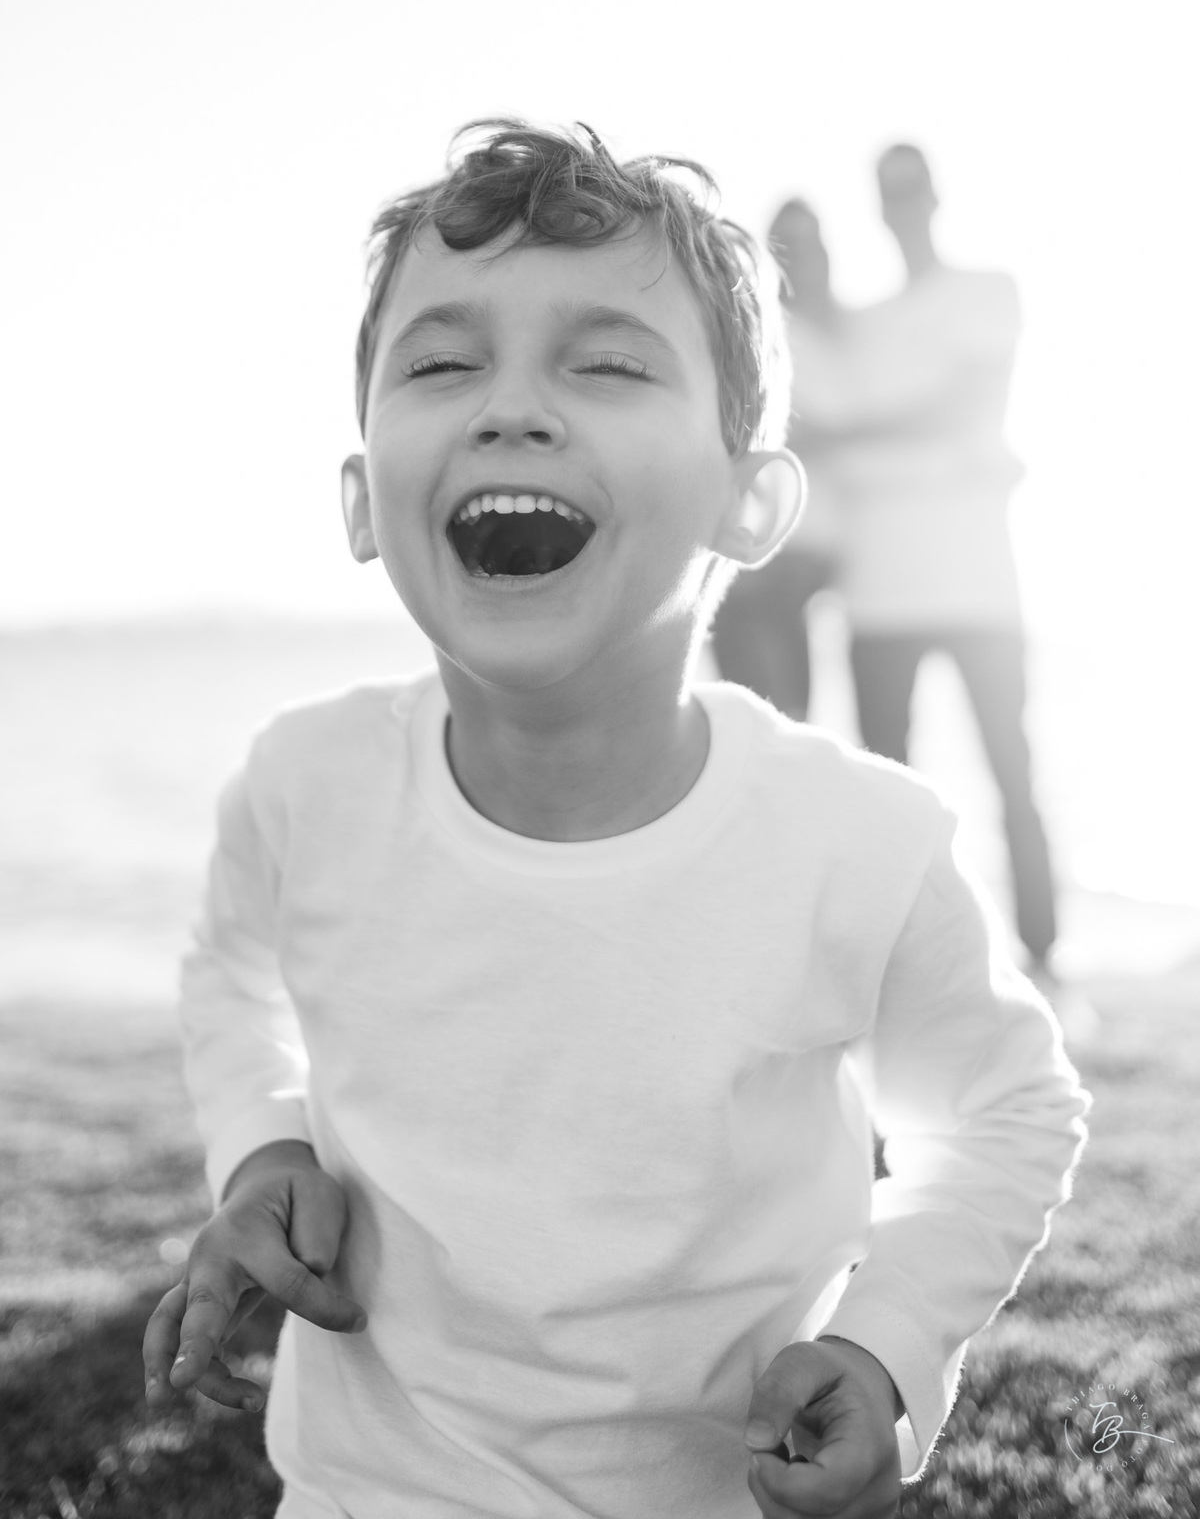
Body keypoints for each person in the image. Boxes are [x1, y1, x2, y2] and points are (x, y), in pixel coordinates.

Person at [142, 121, 1088, 1519]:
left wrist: (886, 1345)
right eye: (442, 364)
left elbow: (1011, 1110)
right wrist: (266, 1146)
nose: (511, 409)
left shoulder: (857, 844)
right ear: (360, 498)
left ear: (751, 502)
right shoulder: (303, 784)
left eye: (608, 364)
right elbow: (230, 976)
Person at [803, 144, 1060, 987]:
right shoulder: (857, 323)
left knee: (1011, 773)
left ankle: (1043, 955)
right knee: (890, 792)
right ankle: (907, 961)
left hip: (981, 586)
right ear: (879, 207)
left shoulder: (989, 290)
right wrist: (924, 439)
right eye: (892, 194)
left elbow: (970, 402)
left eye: (913, 192)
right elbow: (907, 414)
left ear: (936, 199)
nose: (904, 207)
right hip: (878, 590)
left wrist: (849, 438)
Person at [709, 200, 843, 719]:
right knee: (765, 717)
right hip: (760, 556)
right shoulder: (756, 330)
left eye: (811, 242)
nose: (802, 257)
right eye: (788, 245)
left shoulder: (844, 333)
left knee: (792, 722)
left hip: (811, 557)